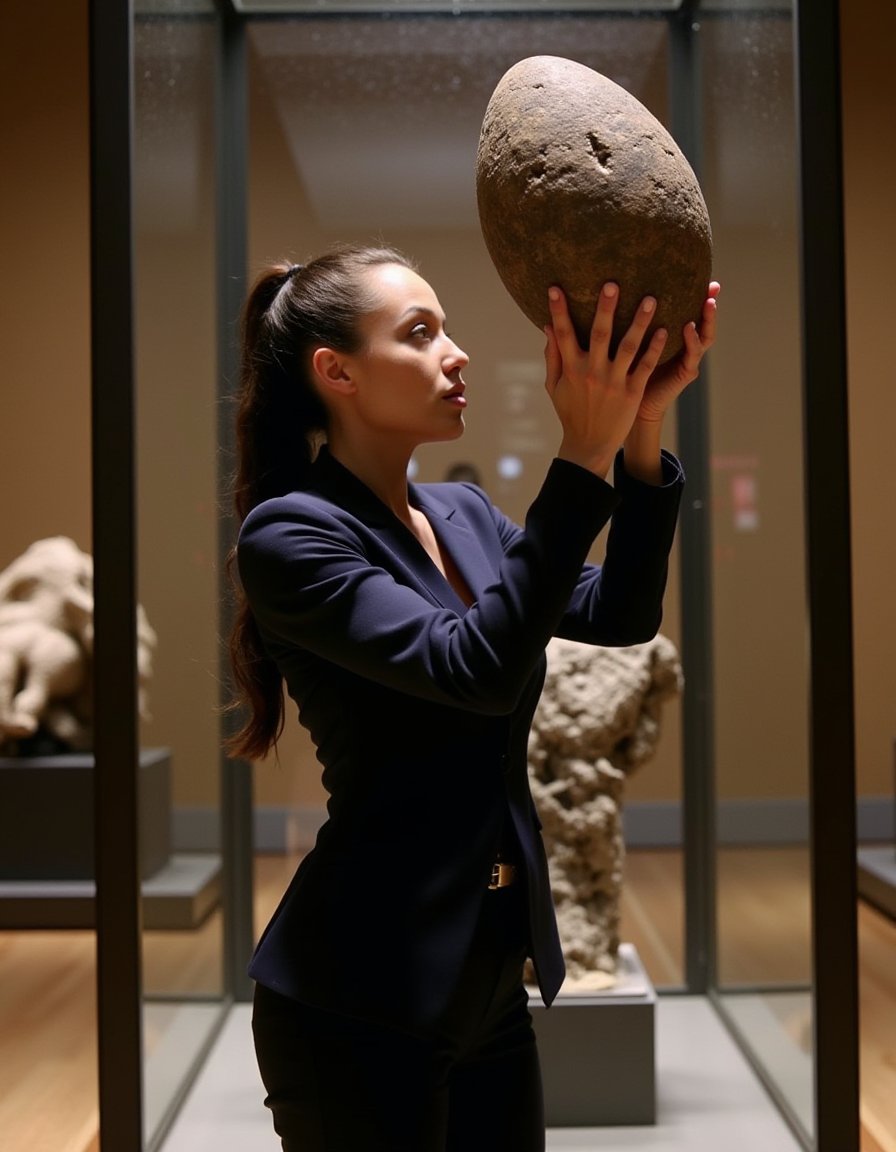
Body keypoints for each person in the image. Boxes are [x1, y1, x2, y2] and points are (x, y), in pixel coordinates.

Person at [227, 242, 719, 1152]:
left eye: (446, 328)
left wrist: (640, 430)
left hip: (487, 973)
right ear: (335, 371)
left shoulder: (459, 515)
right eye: (420, 333)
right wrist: (581, 452)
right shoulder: (291, 535)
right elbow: (477, 671)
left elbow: (619, 613)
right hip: (360, 993)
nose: (454, 353)